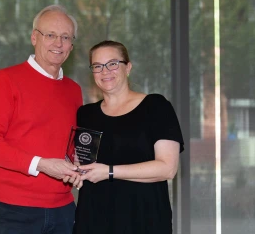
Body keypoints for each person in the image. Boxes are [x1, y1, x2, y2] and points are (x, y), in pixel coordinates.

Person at [0, 5, 83, 234]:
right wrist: (41, 164)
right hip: (13, 210)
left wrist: (79, 166)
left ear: (71, 47)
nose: (58, 43)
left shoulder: (74, 90)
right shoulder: (5, 80)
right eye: (50, 35)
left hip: (64, 209)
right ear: (34, 37)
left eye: (65, 37)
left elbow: (71, 147)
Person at [73, 40, 184, 234]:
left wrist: (109, 172)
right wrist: (76, 168)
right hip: (93, 219)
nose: (105, 71)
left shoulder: (156, 107)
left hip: (144, 219)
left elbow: (167, 168)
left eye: (113, 63)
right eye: (97, 66)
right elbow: (85, 160)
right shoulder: (86, 114)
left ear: (128, 67)